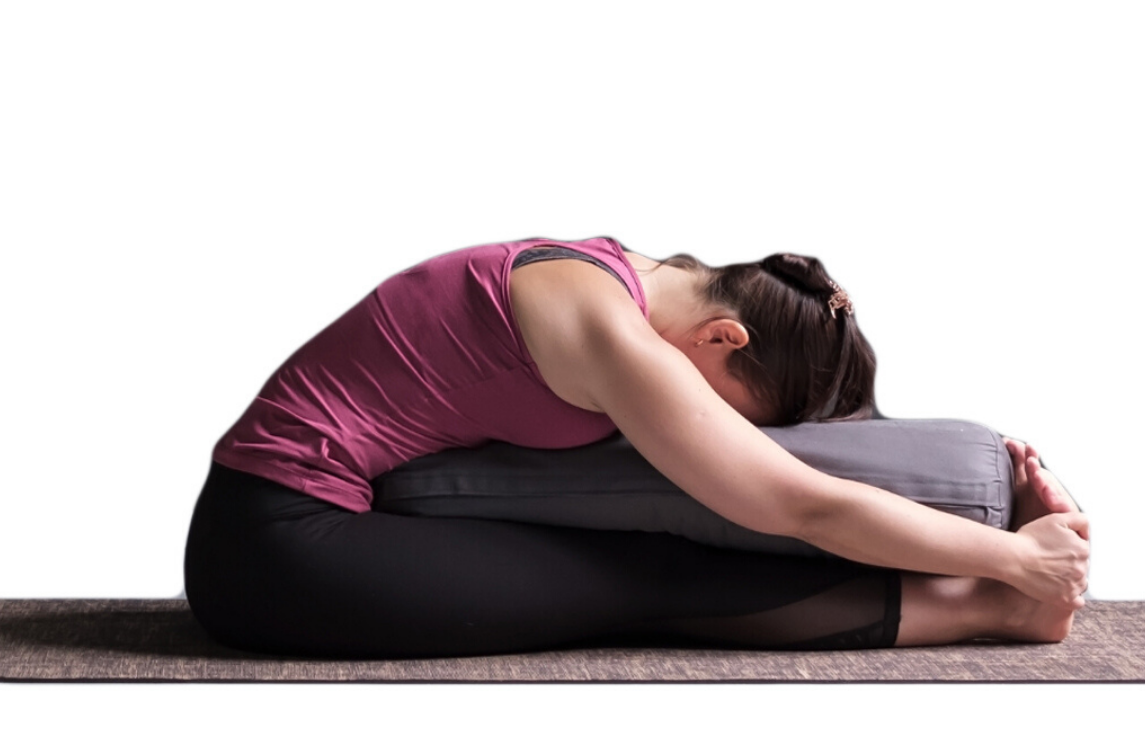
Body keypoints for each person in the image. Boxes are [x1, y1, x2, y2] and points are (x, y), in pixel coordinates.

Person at [183, 235, 1089, 658]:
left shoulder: (623, 271)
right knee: (646, 575)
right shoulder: (609, 331)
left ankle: (986, 602)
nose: (725, 426)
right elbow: (796, 499)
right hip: (274, 548)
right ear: (726, 339)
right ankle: (993, 611)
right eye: (742, 414)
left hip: (317, 521)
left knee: (647, 554)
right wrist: (1016, 559)